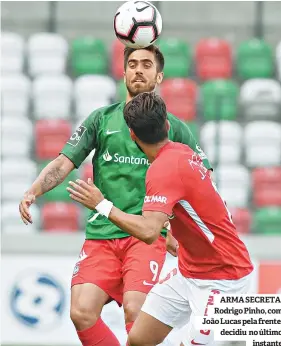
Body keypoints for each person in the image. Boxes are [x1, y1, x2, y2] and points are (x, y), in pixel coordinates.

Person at [19, 45, 212, 346]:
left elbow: (202, 180)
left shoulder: (175, 128)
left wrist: (182, 231)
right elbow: (63, 162)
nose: (138, 69)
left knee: (137, 313)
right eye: (132, 64)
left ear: (159, 76)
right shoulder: (101, 119)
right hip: (101, 234)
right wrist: (34, 190)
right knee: (81, 312)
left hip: (146, 235)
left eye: (146, 65)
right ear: (122, 73)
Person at [67, 92, 254, 346]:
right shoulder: (183, 152)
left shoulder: (162, 169)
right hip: (189, 271)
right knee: (138, 340)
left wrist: (101, 204)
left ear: (132, 136)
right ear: (167, 125)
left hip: (224, 279)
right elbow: (199, 201)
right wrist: (176, 229)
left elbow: (148, 232)